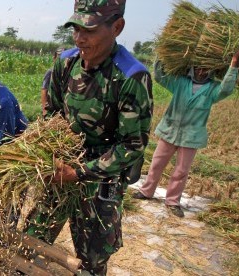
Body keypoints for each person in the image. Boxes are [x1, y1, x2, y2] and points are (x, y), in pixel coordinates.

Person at [25, 0, 153, 274]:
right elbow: (53, 114)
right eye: (76, 29)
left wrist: (80, 172)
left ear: (117, 27)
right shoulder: (66, 63)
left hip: (99, 178)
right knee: (31, 239)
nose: (80, 38)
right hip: (61, 169)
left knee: (92, 261)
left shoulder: (131, 77)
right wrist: (50, 152)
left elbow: (132, 145)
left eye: (90, 30)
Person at [132, 44, 239, 218]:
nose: (201, 71)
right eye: (198, 67)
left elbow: (226, 89)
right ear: (192, 67)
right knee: (156, 164)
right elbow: (160, 76)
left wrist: (234, 63)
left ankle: (172, 201)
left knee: (181, 171)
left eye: (206, 68)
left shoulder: (212, 89)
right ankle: (146, 191)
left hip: (191, 136)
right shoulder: (180, 82)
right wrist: (162, 53)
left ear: (212, 70)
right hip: (169, 130)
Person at [40, 47, 64, 119]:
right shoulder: (51, 72)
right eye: (59, 58)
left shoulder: (67, 73)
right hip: (51, 109)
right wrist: (44, 110)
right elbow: (44, 90)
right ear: (54, 58)